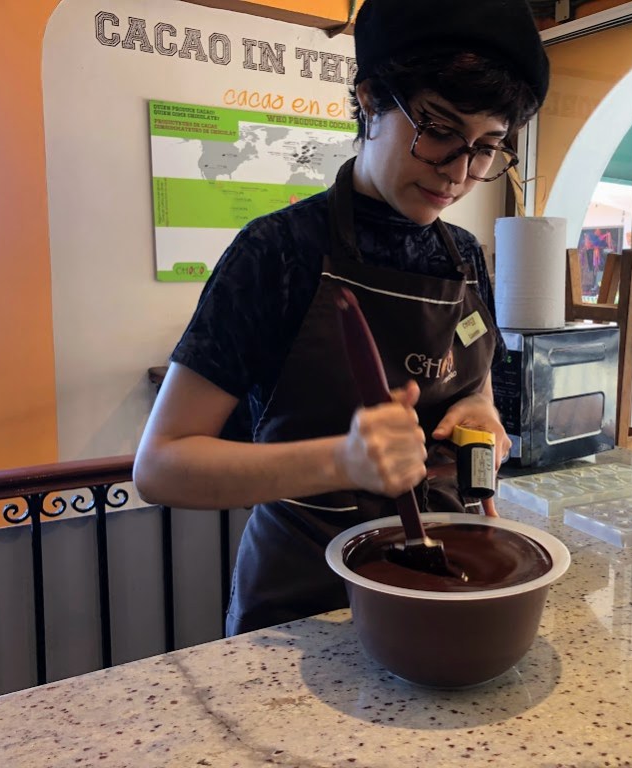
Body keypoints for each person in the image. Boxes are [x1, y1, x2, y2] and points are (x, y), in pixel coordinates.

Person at [134, 0, 550, 635]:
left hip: (441, 582)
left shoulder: (462, 255)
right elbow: (162, 466)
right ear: (369, 100)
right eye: (438, 131)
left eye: (487, 148)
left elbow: (475, 386)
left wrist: (482, 414)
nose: (460, 175)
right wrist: (342, 460)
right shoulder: (276, 252)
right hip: (302, 606)